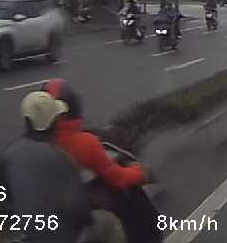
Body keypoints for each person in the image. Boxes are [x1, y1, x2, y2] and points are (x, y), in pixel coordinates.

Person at [1, 91, 126, 243]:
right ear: (54, 123)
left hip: (25, 233)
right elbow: (77, 210)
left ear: (27, 120)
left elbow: (5, 200)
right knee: (109, 222)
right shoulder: (59, 157)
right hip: (61, 237)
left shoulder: (10, 154)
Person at [42, 79, 157, 242]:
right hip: (76, 217)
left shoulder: (30, 147)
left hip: (44, 218)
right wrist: (143, 173)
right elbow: (119, 179)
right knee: (117, 222)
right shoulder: (85, 143)